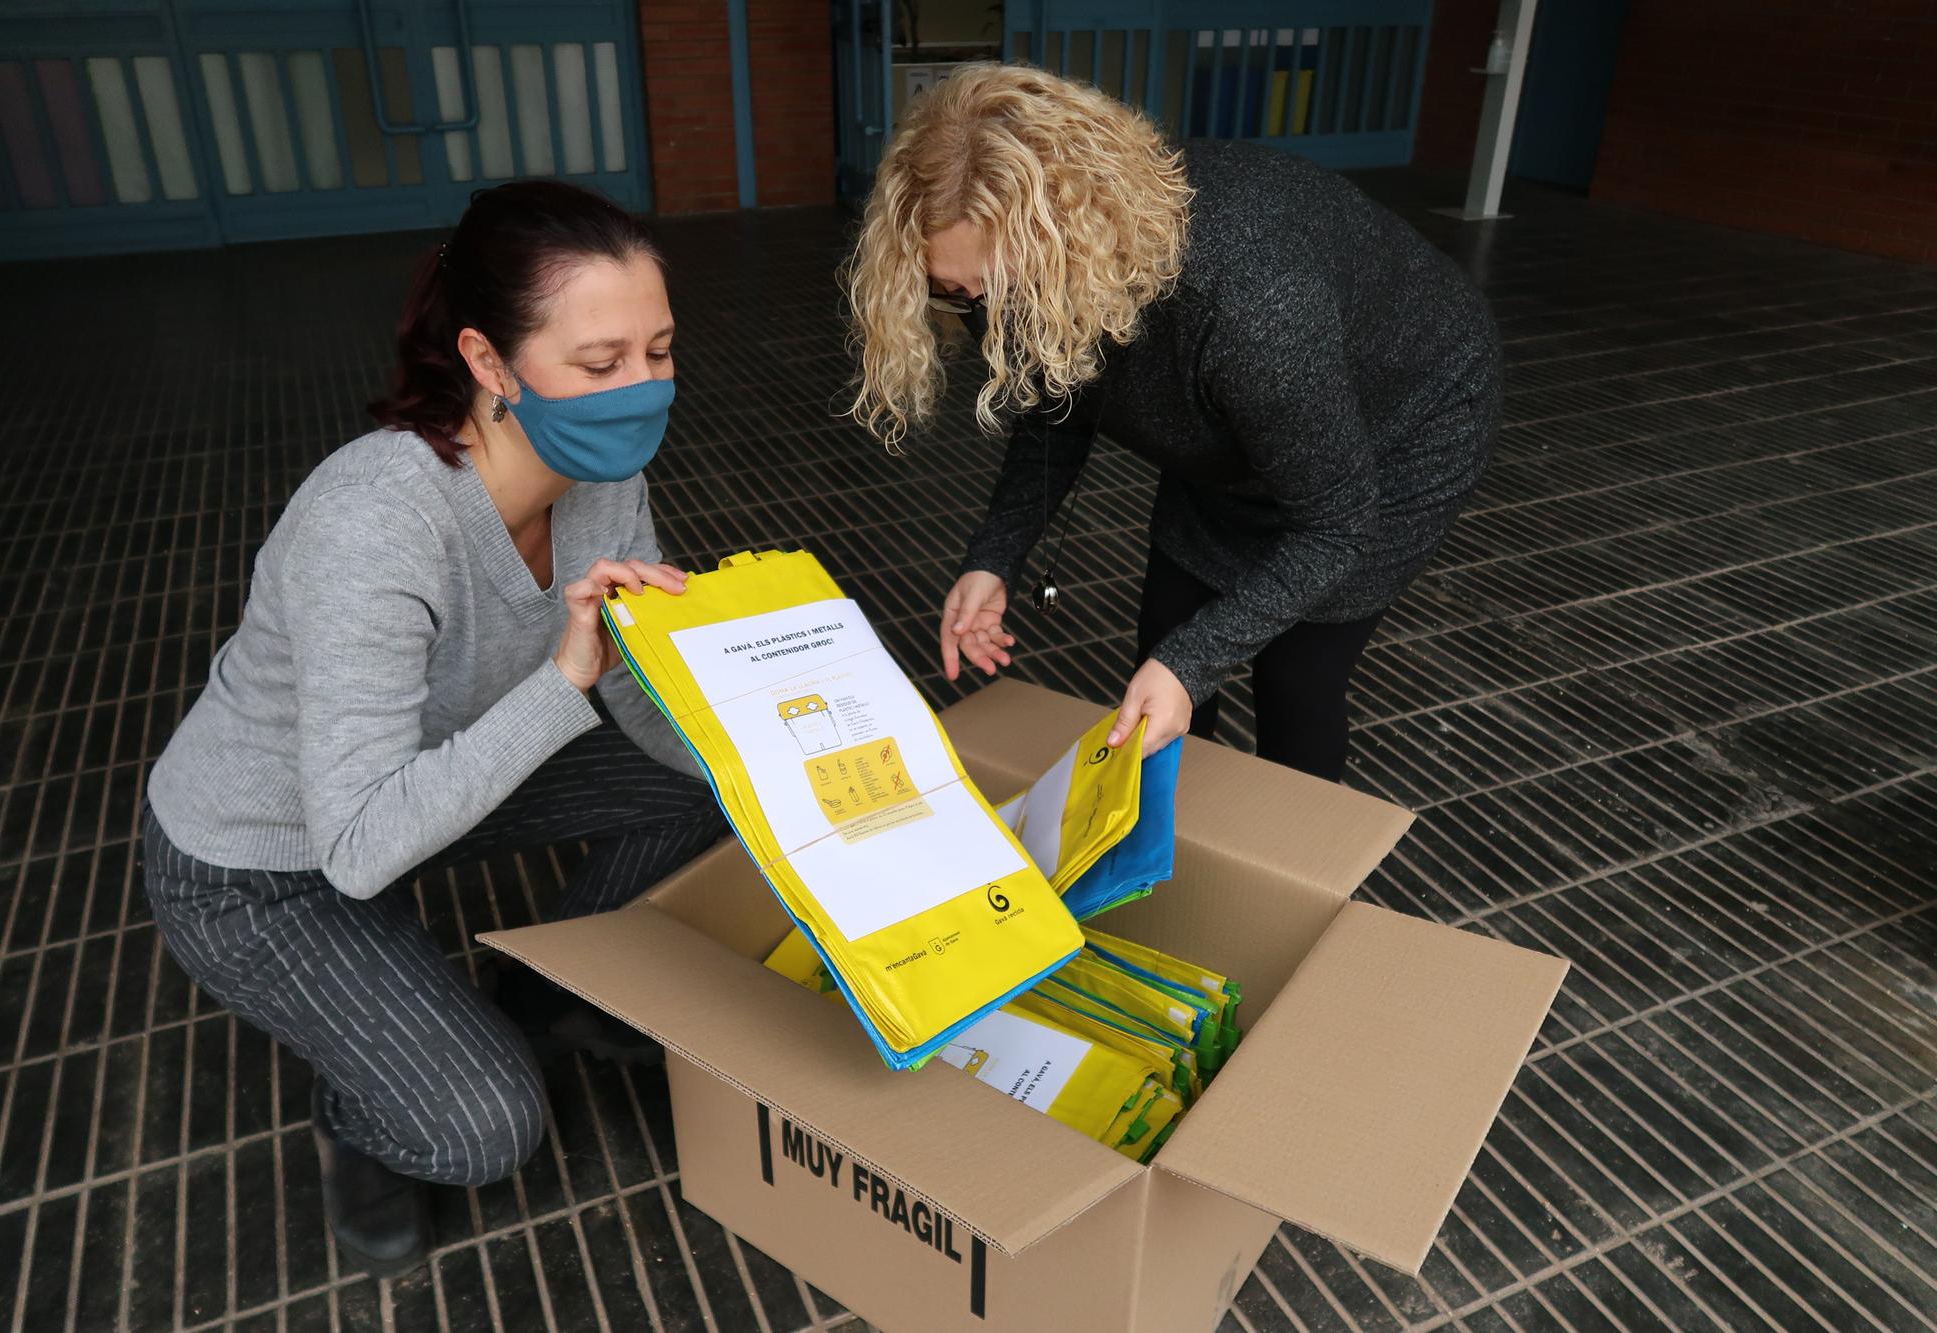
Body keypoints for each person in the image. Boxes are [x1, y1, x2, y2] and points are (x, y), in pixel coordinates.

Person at [140, 180, 726, 1277]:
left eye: (659, 349)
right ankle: (360, 1116)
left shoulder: (604, 474)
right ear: (489, 362)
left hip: (431, 779)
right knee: (480, 1128)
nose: (641, 390)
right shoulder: (373, 524)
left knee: (710, 786)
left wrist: (794, 784)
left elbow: (642, 699)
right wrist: (565, 674)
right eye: (599, 365)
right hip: (271, 858)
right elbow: (358, 850)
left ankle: (549, 988)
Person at [846, 65, 1503, 781]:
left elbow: (1338, 523)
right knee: (1166, 634)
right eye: (953, 293)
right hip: (1241, 424)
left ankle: (1295, 865)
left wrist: (1190, 666)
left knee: (1295, 674)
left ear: (1069, 239)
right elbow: (1060, 402)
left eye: (996, 290)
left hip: (1402, 424)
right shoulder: (1003, 276)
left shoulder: (1249, 305)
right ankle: (1179, 840)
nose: (984, 317)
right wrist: (994, 557)